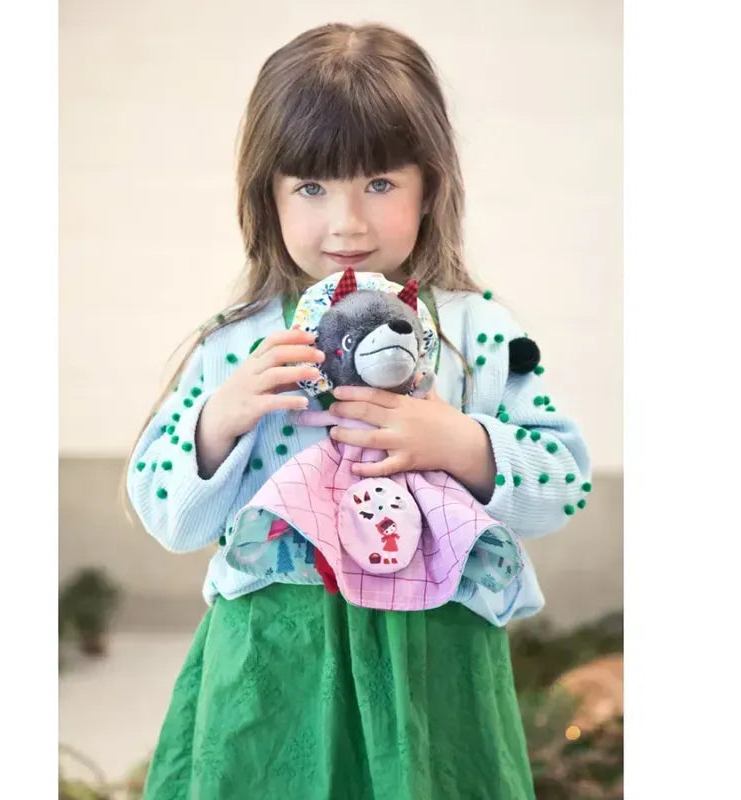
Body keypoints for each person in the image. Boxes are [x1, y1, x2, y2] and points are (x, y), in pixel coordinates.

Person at [126, 21, 591, 800]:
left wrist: (466, 443)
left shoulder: (479, 333)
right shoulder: (235, 345)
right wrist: (219, 420)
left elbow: (564, 482)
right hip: (272, 659)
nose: (346, 223)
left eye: (379, 183)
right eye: (311, 187)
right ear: (266, 195)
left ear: (429, 185)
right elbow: (168, 517)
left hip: (433, 659)